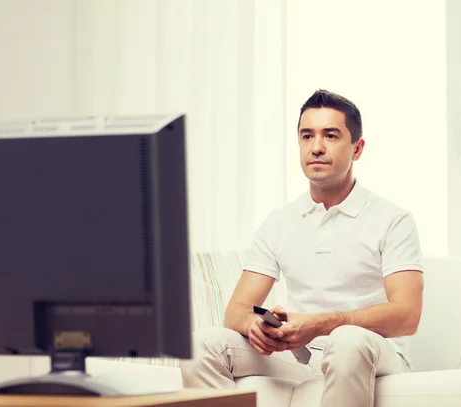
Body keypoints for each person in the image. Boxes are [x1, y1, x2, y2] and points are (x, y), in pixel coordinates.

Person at [180, 89, 424, 407]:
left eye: (331, 135)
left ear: (358, 148)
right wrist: (254, 325)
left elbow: (407, 315)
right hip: (304, 358)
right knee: (201, 346)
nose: (317, 147)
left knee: (346, 340)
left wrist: (322, 323)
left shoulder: (393, 220)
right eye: (307, 136)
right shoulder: (280, 221)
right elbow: (236, 309)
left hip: (375, 353)